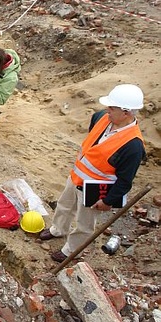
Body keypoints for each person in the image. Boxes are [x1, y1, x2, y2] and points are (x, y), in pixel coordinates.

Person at [39, 84, 145, 263]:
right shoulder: (101, 118)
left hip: (94, 190)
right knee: (64, 206)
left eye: (112, 108)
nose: (107, 110)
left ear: (126, 113)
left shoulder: (133, 146)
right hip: (75, 177)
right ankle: (58, 229)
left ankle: (71, 250)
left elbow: (125, 180)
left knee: (84, 224)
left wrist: (108, 200)